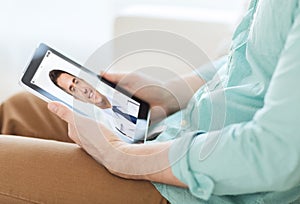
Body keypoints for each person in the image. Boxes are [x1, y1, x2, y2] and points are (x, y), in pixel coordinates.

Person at [1, 0, 300, 203]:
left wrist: (121, 155)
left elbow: (275, 154)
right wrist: (173, 92)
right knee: (20, 111)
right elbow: (253, 63)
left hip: (219, 189)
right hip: (185, 133)